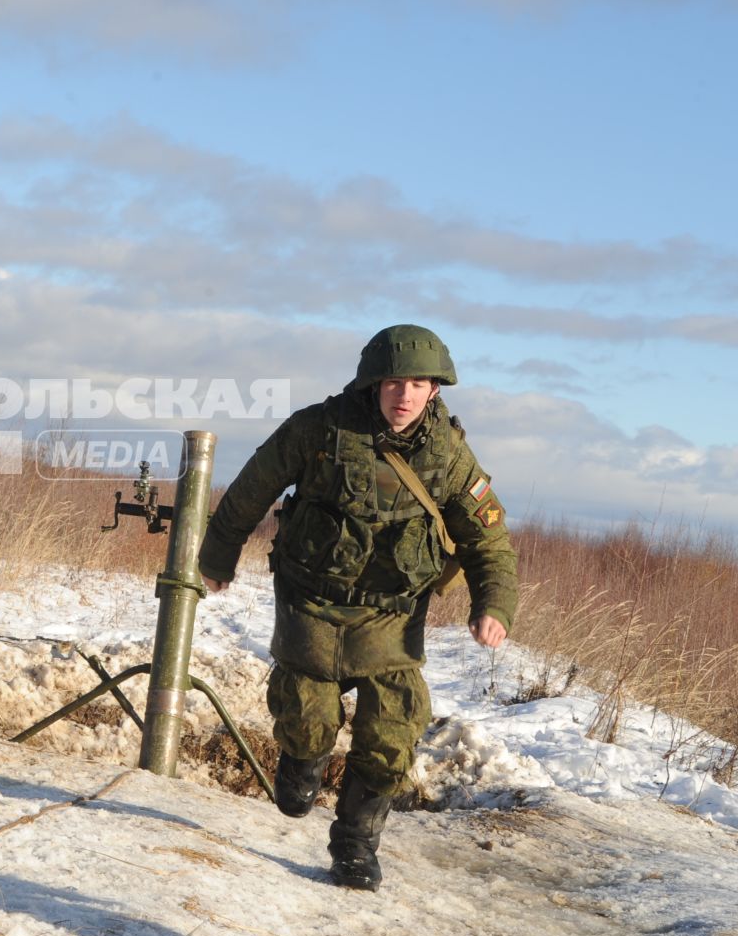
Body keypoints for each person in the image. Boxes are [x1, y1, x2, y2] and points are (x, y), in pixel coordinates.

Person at [198, 325, 516, 891]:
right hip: (312, 600)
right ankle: (301, 763)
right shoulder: (320, 429)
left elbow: (486, 539)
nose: (405, 395)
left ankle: (354, 846)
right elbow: (252, 489)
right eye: (395, 382)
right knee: (308, 716)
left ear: (435, 391)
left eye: (418, 384)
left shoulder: (448, 453)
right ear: (374, 384)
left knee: (394, 732)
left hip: (392, 614)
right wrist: (219, 555)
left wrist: (494, 604)